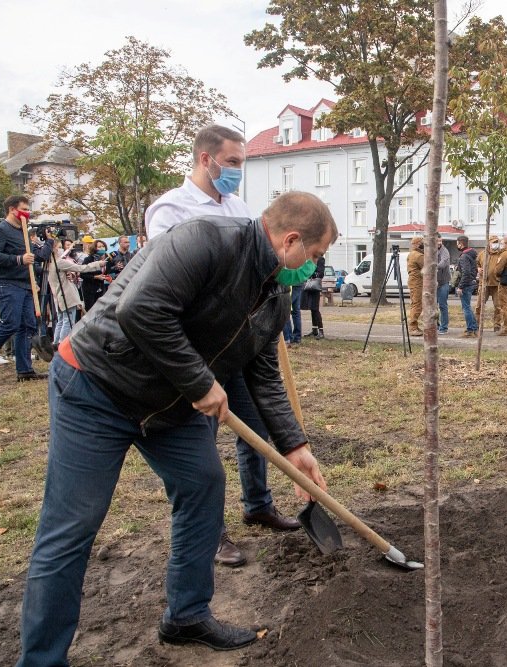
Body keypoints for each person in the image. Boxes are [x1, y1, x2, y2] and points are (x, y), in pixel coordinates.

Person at [17, 192, 337, 664]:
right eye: (314, 255)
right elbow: (139, 310)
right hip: (97, 386)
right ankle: (42, 659)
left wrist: (295, 446)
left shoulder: (275, 292)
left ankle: (186, 615)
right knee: (72, 525)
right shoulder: (204, 241)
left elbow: (264, 372)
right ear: (290, 240)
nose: (313, 267)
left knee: (203, 484)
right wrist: (200, 382)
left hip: (169, 404)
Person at [146, 124, 300, 568]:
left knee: (256, 426)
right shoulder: (169, 210)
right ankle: (211, 534)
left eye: (241, 163)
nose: (237, 171)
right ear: (205, 159)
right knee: (201, 448)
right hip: (197, 351)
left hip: (239, 345)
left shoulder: (239, 208)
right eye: (232, 162)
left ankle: (258, 504)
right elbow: (167, 282)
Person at [0, 195, 52, 386]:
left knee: (28, 326)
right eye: (24, 209)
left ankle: (24, 370)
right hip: (5, 283)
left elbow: (35, 257)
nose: (27, 213)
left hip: (24, 284)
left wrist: (48, 244)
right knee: (11, 323)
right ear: (12, 209)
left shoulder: (23, 231)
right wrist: (18, 259)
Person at [45, 238, 106, 344]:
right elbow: (81, 268)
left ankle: (56, 343)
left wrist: (71, 274)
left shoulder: (47, 263)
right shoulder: (59, 262)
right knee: (68, 322)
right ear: (54, 249)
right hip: (66, 295)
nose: (62, 250)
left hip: (58, 296)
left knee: (61, 321)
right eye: (59, 247)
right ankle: (62, 344)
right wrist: (97, 264)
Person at [475, 234, 503, 332]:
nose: (496, 244)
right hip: (484, 284)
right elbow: (477, 263)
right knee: (479, 306)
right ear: (489, 243)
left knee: (498, 307)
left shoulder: (501, 254)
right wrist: (478, 269)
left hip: (497, 284)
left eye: (497, 242)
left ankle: (497, 325)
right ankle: (477, 325)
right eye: (494, 242)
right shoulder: (482, 254)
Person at [452, 235, 478, 337]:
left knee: (466, 308)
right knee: (468, 307)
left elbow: (466, 272)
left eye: (457, 243)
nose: (457, 245)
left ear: (461, 243)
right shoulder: (472, 254)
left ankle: (470, 330)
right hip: (471, 283)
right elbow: (474, 270)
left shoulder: (464, 256)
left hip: (466, 285)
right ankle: (474, 328)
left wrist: (460, 286)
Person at [80, 239, 110, 312]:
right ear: (95, 248)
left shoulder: (107, 259)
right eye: (99, 247)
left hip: (101, 288)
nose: (102, 248)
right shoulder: (89, 259)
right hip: (90, 288)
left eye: (103, 246)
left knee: (100, 310)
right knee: (90, 310)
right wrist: (95, 277)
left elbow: (106, 272)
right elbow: (82, 274)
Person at [300, 256, 326, 340]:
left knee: (315, 309)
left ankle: (321, 331)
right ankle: (314, 330)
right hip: (308, 286)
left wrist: (310, 273)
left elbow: (321, 274)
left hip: (315, 287)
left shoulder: (320, 259)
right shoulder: (309, 258)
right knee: (312, 309)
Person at [406, 236, 425, 336]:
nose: (423, 245)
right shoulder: (418, 256)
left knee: (415, 304)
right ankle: (413, 327)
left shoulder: (411, 254)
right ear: (418, 244)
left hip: (413, 281)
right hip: (417, 283)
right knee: (417, 305)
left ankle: (414, 326)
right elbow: (427, 267)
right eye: (422, 243)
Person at [436, 238, 451, 334]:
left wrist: (433, 266)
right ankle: (435, 325)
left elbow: (443, 263)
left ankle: (444, 327)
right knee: (432, 306)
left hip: (443, 282)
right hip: (433, 283)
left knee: (442, 305)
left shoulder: (444, 251)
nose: (439, 243)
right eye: (437, 241)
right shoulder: (429, 250)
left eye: (440, 241)